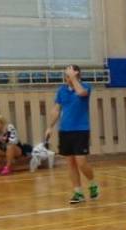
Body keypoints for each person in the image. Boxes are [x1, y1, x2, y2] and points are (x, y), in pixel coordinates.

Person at [45, 64, 98, 204]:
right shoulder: (62, 90)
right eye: (66, 75)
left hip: (80, 130)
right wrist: (50, 127)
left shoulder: (85, 87)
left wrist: (74, 79)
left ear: (77, 74)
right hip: (65, 131)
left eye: (69, 75)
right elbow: (56, 110)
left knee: (81, 162)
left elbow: (81, 93)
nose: (66, 78)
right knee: (71, 163)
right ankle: (78, 193)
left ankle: (92, 184)